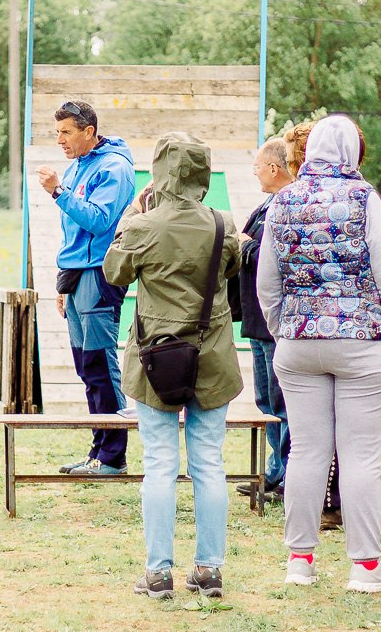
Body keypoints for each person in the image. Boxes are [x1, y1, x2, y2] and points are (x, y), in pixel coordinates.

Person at [258, 114, 381, 593]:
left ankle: (300, 561)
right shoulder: (365, 200)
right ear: (352, 153)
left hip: (299, 344)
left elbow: (268, 283)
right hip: (364, 343)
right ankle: (366, 568)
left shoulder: (281, 201)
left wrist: (286, 328)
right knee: (361, 455)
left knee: (306, 450)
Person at [104, 132, 242, 600]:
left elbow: (114, 273)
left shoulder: (144, 228)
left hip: (154, 358)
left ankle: (158, 572)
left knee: (160, 465)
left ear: (159, 173)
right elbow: (231, 268)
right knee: (209, 463)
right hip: (212, 358)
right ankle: (210, 569)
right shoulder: (223, 225)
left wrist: (132, 217)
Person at [36, 100, 136, 475]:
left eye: (66, 132)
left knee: (100, 362)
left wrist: (58, 192)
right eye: (57, 132)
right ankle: (98, 452)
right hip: (78, 275)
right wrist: (64, 280)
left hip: (100, 274)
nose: (59, 139)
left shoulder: (114, 167)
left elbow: (98, 220)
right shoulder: (79, 164)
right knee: (85, 365)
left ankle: (113, 457)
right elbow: (72, 232)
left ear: (89, 131)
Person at [282, 120, 343, 531]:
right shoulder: (362, 199)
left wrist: (279, 325)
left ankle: (321, 514)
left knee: (314, 443)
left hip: (306, 333)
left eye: (290, 159)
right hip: (350, 331)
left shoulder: (289, 203)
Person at [234, 137, 293, 498]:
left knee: (281, 402)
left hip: (274, 323)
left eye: (258, 166)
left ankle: (288, 474)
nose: (255, 173)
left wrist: (245, 246)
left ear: (273, 168)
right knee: (266, 402)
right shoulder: (264, 205)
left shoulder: (286, 206)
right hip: (256, 319)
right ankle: (273, 469)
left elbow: (276, 257)